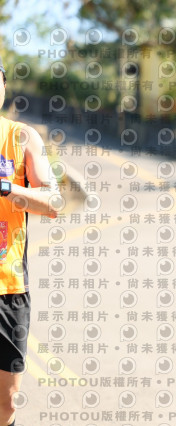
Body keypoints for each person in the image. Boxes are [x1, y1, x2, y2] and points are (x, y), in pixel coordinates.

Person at [0, 57, 61, 426]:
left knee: (7, 403)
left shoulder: (22, 138)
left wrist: (7, 187)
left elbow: (53, 203)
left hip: (9, 289)